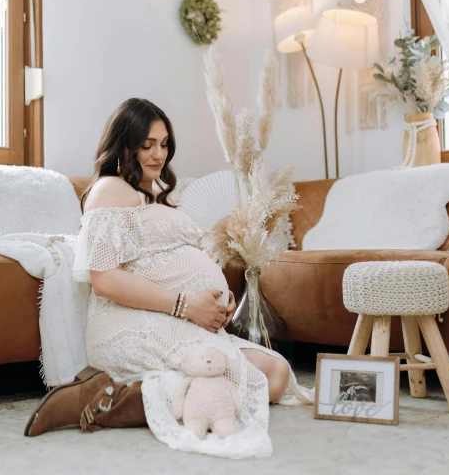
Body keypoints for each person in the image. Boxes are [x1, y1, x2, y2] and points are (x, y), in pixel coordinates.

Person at [27, 98, 311, 457]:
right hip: (133, 321)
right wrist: (185, 304)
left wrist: (219, 304)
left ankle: (133, 395)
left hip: (183, 319)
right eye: (147, 145)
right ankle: (111, 401)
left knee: (277, 373)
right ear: (123, 145)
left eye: (163, 144)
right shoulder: (109, 189)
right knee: (259, 378)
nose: (158, 154)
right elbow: (104, 280)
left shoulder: (157, 194)